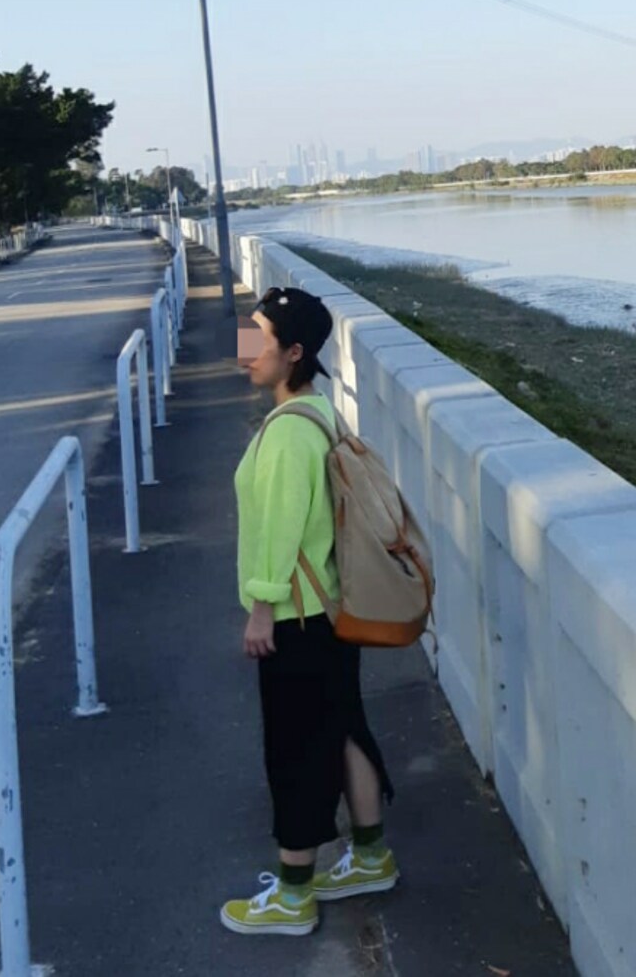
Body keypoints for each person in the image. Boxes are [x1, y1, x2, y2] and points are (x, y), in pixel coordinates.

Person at [220, 286, 397, 938]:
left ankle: (294, 895)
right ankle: (372, 858)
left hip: (296, 616)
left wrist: (261, 607)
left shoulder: (290, 432)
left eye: (258, 339)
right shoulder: (319, 410)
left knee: (294, 751)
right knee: (342, 728)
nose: (244, 349)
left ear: (294, 352)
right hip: (329, 609)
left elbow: (282, 527)